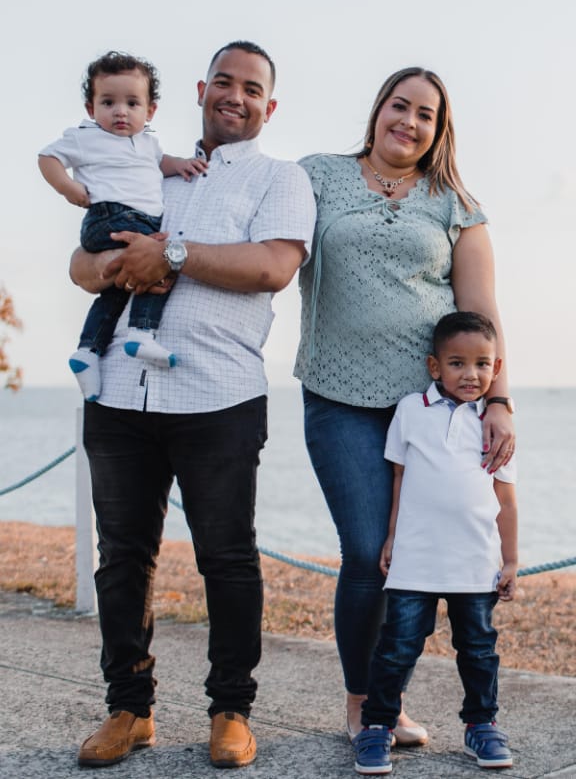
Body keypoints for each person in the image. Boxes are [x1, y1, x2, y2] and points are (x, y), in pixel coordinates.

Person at [68, 40, 316, 769]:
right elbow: (82, 265)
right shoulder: (144, 167)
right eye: (224, 83)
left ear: (268, 106)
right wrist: (119, 263)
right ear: (203, 90)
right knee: (121, 562)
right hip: (118, 393)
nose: (235, 96)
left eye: (252, 88)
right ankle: (128, 711)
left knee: (228, 560)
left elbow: (273, 265)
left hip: (220, 398)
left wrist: (171, 255)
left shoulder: (282, 179)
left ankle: (232, 711)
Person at [294, 67, 516, 744]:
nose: (410, 122)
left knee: (415, 558)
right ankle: (364, 704)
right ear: (378, 109)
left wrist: (498, 397)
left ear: (438, 130)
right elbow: (270, 244)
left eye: (427, 115)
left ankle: (391, 703)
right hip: (337, 395)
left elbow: (480, 311)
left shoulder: (455, 202)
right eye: (401, 105)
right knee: (368, 552)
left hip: (434, 409)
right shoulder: (317, 177)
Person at [353, 311, 518, 774]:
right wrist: (391, 536)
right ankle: (377, 726)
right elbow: (400, 478)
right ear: (434, 366)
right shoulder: (410, 411)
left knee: (479, 650)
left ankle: (480, 726)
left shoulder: (496, 425)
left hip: (475, 561)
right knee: (397, 647)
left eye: (482, 364)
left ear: (496, 368)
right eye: (458, 363)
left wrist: (511, 559)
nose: (471, 374)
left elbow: (505, 496)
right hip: (416, 559)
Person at [39, 51, 207, 401]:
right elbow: (47, 158)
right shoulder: (86, 136)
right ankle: (141, 334)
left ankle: (87, 352)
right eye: (108, 102)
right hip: (109, 216)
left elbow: (161, 163)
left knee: (115, 290)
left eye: (132, 103)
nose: (120, 111)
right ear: (91, 109)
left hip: (135, 220)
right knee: (154, 262)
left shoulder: (148, 142)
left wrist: (184, 165)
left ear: (150, 111)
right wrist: (68, 188)